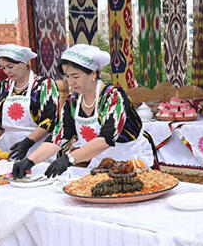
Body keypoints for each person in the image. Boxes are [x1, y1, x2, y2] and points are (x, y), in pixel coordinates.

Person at [12, 44, 154, 178]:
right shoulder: (72, 101)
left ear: (93, 74)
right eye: (67, 76)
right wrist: (30, 161)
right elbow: (59, 137)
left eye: (75, 76)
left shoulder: (113, 97)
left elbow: (106, 139)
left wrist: (69, 159)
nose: (70, 82)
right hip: (101, 163)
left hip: (132, 161)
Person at [0, 44, 59, 160]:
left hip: (37, 148)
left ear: (24, 63)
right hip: (7, 147)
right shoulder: (4, 86)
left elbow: (49, 121)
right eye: (3, 68)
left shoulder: (45, 85)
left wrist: (27, 142)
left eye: (10, 66)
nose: (7, 72)